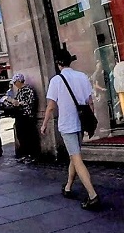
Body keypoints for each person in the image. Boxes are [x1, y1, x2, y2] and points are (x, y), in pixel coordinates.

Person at [41, 47, 100, 210]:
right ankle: (68, 187)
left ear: (58, 64)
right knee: (75, 156)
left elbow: (51, 106)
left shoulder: (56, 80)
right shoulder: (81, 76)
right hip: (81, 123)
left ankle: (92, 195)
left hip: (67, 125)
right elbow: (90, 102)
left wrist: (44, 124)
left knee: (76, 159)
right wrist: (90, 120)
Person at [10, 73, 38, 163]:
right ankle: (25, 154)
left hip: (27, 116)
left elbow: (30, 102)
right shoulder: (19, 90)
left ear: (19, 81)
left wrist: (19, 103)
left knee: (29, 136)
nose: (14, 84)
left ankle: (32, 155)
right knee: (21, 136)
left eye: (15, 82)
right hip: (20, 116)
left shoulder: (28, 89)